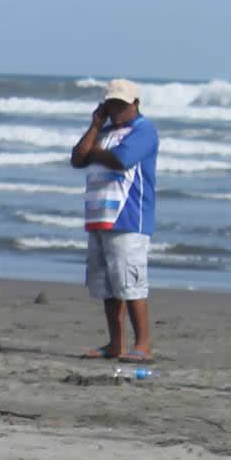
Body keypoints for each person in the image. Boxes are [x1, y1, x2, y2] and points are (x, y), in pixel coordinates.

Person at [72, 79, 159, 363]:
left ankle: (143, 345)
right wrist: (96, 125)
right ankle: (115, 344)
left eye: (121, 105)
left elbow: (121, 160)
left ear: (135, 104)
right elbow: (77, 158)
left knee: (131, 284)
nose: (116, 110)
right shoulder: (105, 132)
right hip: (100, 218)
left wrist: (92, 152)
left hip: (129, 218)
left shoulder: (143, 131)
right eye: (111, 104)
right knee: (108, 287)